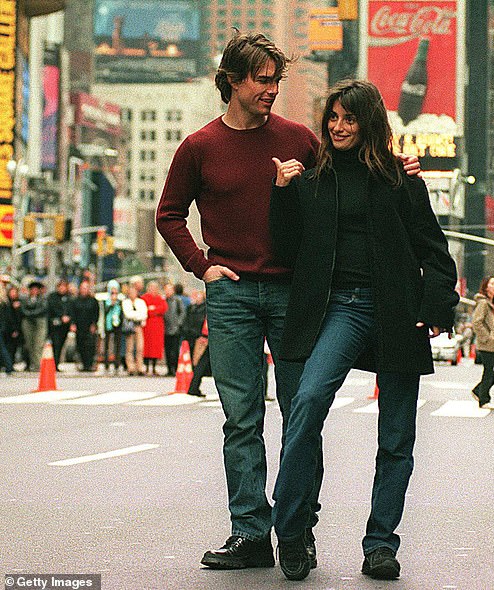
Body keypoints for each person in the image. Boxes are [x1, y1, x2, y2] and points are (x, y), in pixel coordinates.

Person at [156, 32, 420, 571]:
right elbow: (169, 214)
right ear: (232, 80)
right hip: (229, 293)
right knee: (242, 417)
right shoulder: (199, 146)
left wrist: (398, 169)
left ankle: (297, 528)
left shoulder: (299, 137)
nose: (273, 89)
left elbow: (353, 172)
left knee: (302, 413)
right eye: (262, 79)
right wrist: (203, 265)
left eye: (277, 79)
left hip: (296, 294)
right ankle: (250, 531)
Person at [268, 79, 458, 581]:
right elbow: (287, 248)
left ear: (368, 122)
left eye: (349, 118)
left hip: (396, 313)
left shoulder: (402, 182)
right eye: (332, 118)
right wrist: (283, 193)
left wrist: (435, 305)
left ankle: (380, 544)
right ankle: (290, 530)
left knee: (396, 438)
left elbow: (435, 253)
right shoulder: (311, 181)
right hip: (341, 311)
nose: (338, 127)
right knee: (307, 403)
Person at [471, 276, 494, 410]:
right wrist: (487, 338)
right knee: (488, 370)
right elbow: (476, 322)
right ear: (486, 287)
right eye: (492, 283)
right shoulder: (483, 303)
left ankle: (478, 390)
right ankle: (484, 399)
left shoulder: (493, 304)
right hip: (487, 344)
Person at [70, 280, 100, 372]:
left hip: (89, 326)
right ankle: (83, 364)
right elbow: (73, 313)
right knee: (80, 345)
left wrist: (94, 324)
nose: (84, 290)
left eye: (86, 288)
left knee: (90, 346)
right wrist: (73, 324)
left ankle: (89, 364)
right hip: (79, 326)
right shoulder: (75, 301)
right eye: (82, 288)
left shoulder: (93, 301)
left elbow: (96, 313)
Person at [141, 281, 168, 375]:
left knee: (156, 347)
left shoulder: (160, 298)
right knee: (146, 346)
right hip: (147, 326)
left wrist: (153, 309)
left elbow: (163, 308)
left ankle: (154, 367)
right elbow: (144, 310)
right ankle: (147, 367)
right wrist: (155, 310)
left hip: (157, 327)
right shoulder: (144, 298)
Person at [20, 281, 48, 371]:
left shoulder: (43, 299)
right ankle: (32, 363)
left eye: (36, 289)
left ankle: (38, 365)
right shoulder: (25, 299)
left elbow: (43, 309)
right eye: (32, 289)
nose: (34, 291)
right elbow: (23, 309)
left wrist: (32, 313)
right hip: (28, 322)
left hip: (39, 322)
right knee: (29, 344)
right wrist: (30, 314)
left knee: (38, 344)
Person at [122, 285, 148, 376]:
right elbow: (127, 314)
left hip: (138, 326)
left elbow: (144, 314)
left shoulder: (141, 302)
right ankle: (131, 367)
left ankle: (140, 367)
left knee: (140, 348)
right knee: (129, 348)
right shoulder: (126, 302)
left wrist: (135, 316)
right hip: (130, 327)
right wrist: (137, 315)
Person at [47, 279, 73, 370]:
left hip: (65, 326)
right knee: (56, 344)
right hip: (54, 325)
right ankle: (54, 364)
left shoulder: (69, 298)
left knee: (61, 344)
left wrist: (69, 318)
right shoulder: (52, 297)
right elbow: (52, 308)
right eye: (60, 286)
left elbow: (71, 310)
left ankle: (57, 363)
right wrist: (61, 316)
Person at [164, 283, 186, 376]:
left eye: (169, 290)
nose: (167, 292)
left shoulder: (177, 300)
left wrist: (178, 324)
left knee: (175, 349)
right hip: (165, 329)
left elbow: (182, 313)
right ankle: (169, 369)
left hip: (175, 329)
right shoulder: (163, 300)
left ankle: (176, 368)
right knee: (167, 350)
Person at [104, 280, 123, 375]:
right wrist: (111, 304)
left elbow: (122, 314)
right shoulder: (106, 301)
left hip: (118, 326)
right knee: (107, 345)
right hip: (108, 325)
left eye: (116, 292)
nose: (114, 294)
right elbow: (104, 313)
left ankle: (117, 364)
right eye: (112, 292)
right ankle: (106, 364)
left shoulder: (120, 302)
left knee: (117, 345)